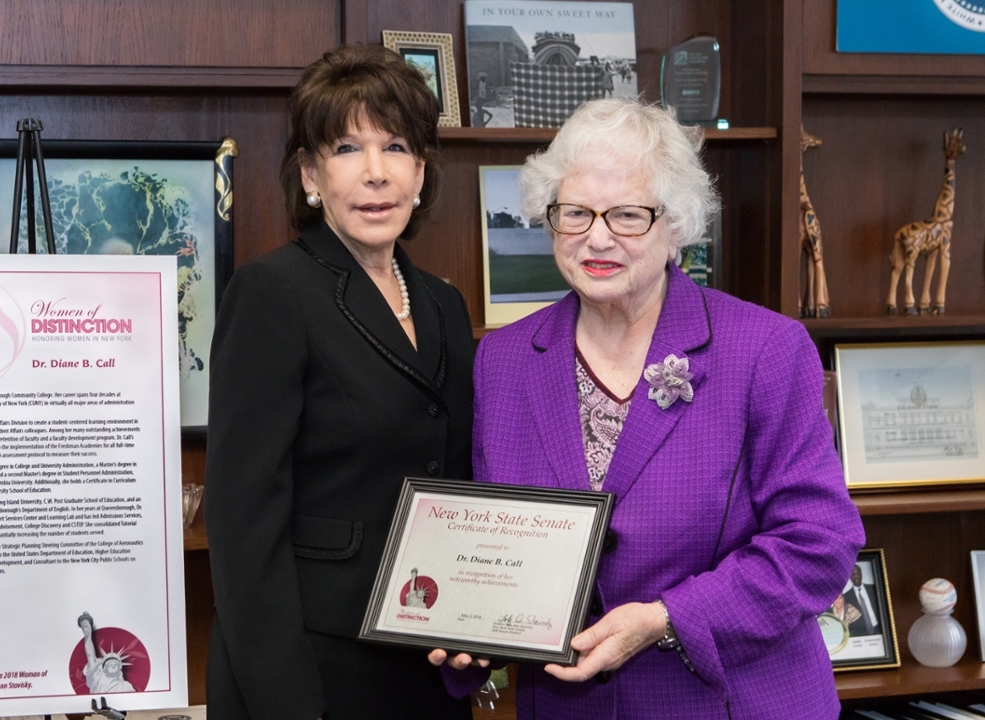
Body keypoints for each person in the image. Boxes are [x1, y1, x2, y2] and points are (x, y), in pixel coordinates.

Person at [432, 99, 864, 718]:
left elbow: (820, 542)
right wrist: (465, 624)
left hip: (729, 702)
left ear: (678, 226)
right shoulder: (501, 361)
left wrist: (667, 619)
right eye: (575, 212)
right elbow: (494, 538)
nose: (598, 236)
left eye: (629, 215)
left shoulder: (765, 349)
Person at [205, 44, 475, 720]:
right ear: (310, 176)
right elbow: (244, 525)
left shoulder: (443, 303)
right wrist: (288, 703)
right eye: (349, 149)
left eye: (397, 148)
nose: (377, 174)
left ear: (422, 173)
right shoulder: (272, 292)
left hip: (424, 659)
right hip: (312, 670)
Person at [843, 565, 881, 637]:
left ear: (861, 574)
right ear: (850, 577)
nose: (856, 576)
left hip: (878, 628)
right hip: (859, 633)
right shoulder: (846, 597)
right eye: (853, 574)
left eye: (858, 573)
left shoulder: (874, 589)